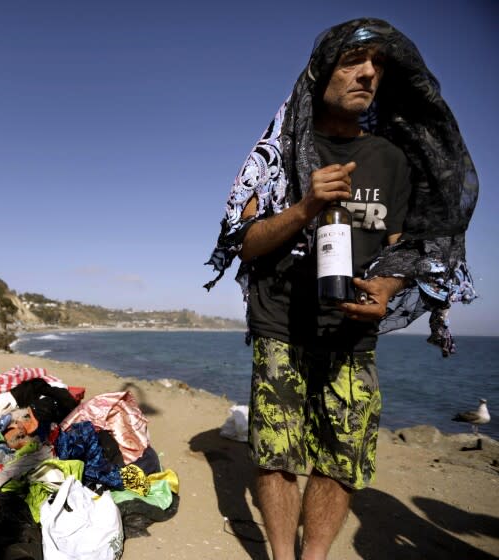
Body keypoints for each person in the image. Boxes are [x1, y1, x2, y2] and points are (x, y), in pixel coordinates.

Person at [204, 18, 478, 559]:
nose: (369, 73)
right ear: (322, 71)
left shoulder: (392, 159)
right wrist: (305, 206)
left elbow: (404, 243)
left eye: (378, 64)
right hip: (281, 321)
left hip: (352, 330)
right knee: (277, 455)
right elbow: (246, 243)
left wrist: (390, 286)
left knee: (341, 457)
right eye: (354, 61)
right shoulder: (278, 153)